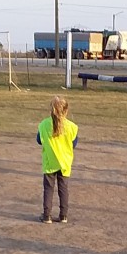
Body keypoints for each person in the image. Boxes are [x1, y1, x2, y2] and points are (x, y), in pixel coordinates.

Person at [37, 95, 79, 223]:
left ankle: (47, 215)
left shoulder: (44, 124)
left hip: (50, 161)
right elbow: (74, 144)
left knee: (48, 189)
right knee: (63, 189)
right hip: (65, 162)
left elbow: (39, 140)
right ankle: (63, 215)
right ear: (66, 111)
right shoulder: (72, 127)